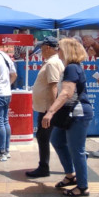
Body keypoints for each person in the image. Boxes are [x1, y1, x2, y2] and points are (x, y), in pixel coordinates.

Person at [42, 38, 93, 197]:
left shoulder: (72, 68)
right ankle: (70, 175)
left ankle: (83, 187)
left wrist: (50, 112)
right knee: (57, 140)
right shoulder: (71, 67)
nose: (58, 51)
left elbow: (66, 93)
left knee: (77, 150)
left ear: (67, 51)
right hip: (69, 113)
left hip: (77, 113)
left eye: (60, 49)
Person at [26, 36, 63, 177]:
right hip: (46, 108)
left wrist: (52, 111)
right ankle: (44, 166)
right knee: (46, 137)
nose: (40, 50)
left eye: (41, 47)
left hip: (47, 109)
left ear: (47, 47)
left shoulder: (52, 63)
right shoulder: (51, 62)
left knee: (43, 137)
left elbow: (54, 86)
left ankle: (43, 167)